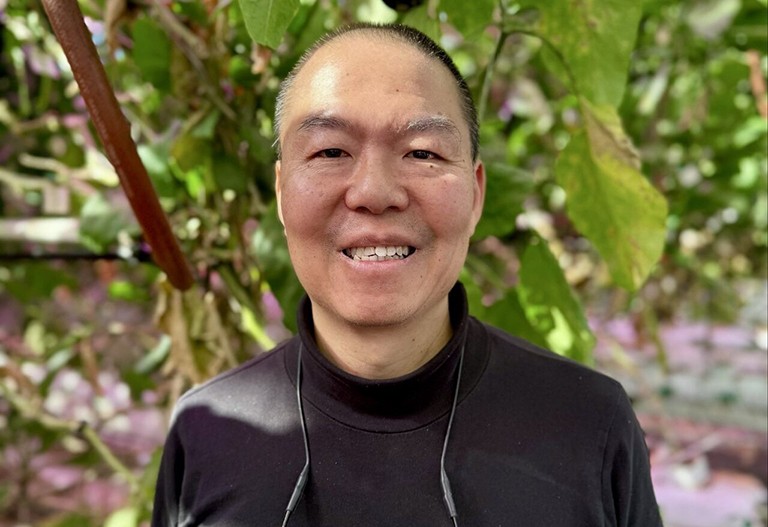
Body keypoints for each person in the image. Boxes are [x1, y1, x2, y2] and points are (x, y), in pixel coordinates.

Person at [152, 23, 663, 527]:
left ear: (477, 194)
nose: (374, 192)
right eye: (330, 151)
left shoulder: (586, 423)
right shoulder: (208, 432)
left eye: (422, 152)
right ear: (283, 192)